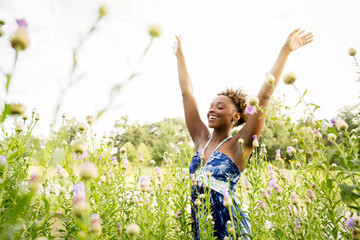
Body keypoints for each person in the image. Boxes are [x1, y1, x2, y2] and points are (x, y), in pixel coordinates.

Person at [173, 29, 313, 239]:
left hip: (229, 227)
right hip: (202, 224)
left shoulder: (240, 144)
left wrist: (286, 50)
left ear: (236, 116)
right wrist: (180, 55)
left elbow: (264, 95)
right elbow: (187, 93)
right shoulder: (201, 138)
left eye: (220, 107)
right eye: (211, 106)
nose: (212, 109)